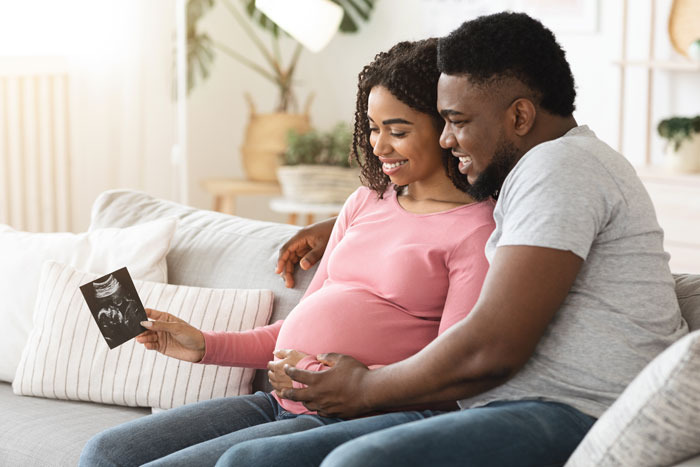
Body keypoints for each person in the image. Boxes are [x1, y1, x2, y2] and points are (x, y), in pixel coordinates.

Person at [218, 11, 688, 467]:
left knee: (358, 461)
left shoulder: (559, 168)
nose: (445, 140)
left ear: (520, 116)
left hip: (572, 410)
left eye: (458, 120)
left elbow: (493, 347)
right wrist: (338, 227)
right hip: (525, 408)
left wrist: (363, 388)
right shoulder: (542, 171)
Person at [79, 38, 496, 467]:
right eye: (372, 127)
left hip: (358, 417)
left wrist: (314, 373)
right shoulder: (367, 202)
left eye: (398, 131)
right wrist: (202, 344)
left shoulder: (474, 230)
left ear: (446, 126)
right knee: (106, 453)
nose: (379, 146)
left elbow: (449, 373)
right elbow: (292, 333)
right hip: (281, 401)